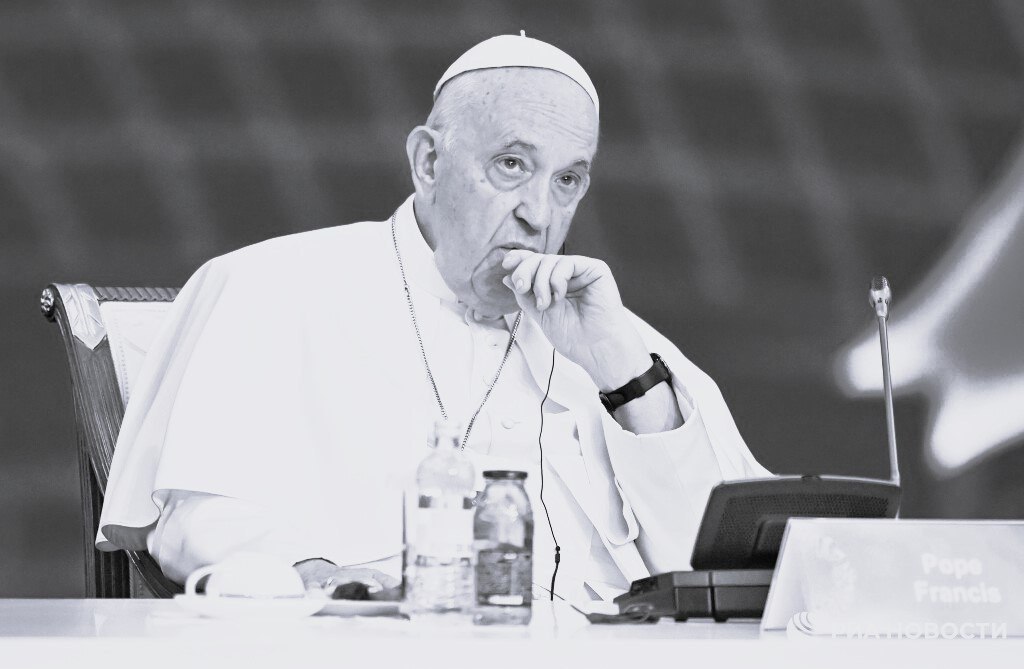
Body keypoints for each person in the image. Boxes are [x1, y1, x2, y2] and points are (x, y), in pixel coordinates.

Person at [98, 34, 770, 603]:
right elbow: (194, 518)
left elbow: (725, 571)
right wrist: (316, 576)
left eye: (567, 180)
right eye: (512, 165)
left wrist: (624, 378)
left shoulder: (614, 336)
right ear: (428, 162)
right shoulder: (273, 284)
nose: (540, 214)